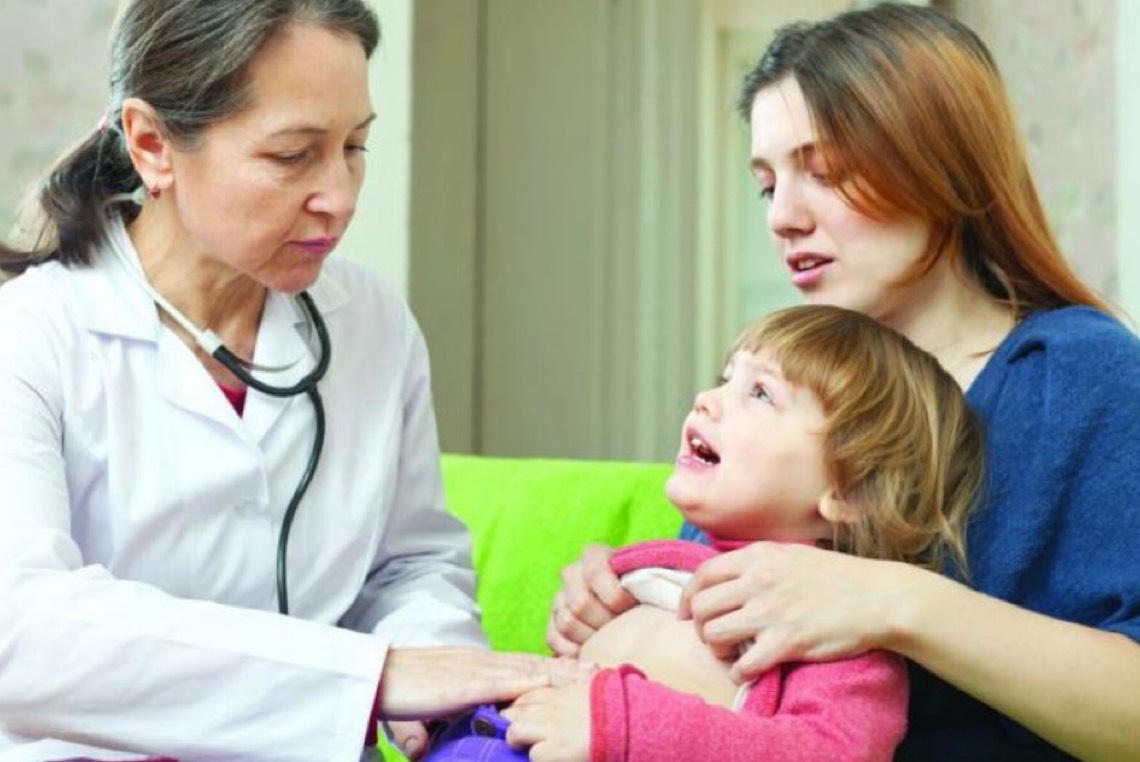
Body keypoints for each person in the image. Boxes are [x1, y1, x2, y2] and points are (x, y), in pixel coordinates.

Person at [546, 3, 1140, 761]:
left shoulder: (1083, 375)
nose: (783, 218)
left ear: (941, 162)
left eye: (824, 173)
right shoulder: (789, 393)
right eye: (768, 187)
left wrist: (895, 601)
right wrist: (623, 602)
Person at [0, 2, 588, 761]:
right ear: (151, 145)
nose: (340, 196)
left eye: (355, 146)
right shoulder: (31, 335)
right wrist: (374, 678)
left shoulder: (370, 320)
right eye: (292, 155)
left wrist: (442, 694)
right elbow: (22, 632)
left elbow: (408, 566)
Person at [426, 304, 985, 762]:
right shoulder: (640, 574)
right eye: (726, 379)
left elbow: (831, 752)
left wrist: (625, 726)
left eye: (760, 393)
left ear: (851, 490)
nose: (707, 399)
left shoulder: (837, 638)